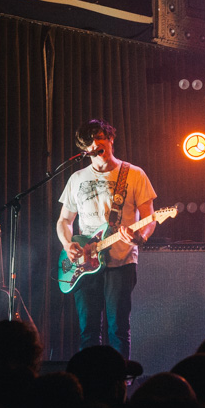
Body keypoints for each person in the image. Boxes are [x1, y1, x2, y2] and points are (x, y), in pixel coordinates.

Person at [56, 118, 157, 359]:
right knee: (88, 330)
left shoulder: (133, 174)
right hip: (85, 261)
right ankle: (90, 382)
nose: (96, 144)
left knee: (118, 328)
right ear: (84, 149)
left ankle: (119, 383)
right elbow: (64, 221)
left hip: (121, 261)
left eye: (101, 137)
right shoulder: (77, 178)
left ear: (110, 139)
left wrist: (139, 237)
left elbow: (150, 218)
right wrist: (67, 244)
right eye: (90, 141)